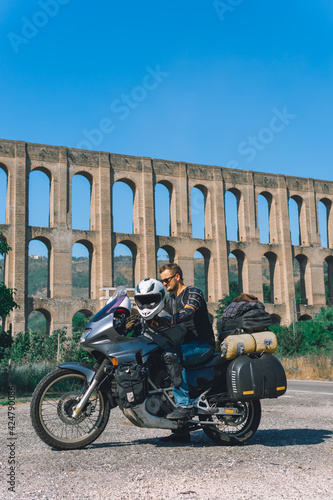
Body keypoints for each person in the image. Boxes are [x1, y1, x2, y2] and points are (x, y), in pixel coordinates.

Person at [158, 263, 215, 442]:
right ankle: (181, 431)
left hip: (202, 345)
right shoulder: (170, 300)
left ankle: (183, 406)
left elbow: (189, 311)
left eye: (166, 280)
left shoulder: (193, 293)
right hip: (184, 345)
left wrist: (171, 319)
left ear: (177, 277)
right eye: (162, 281)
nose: (164, 284)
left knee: (172, 356)